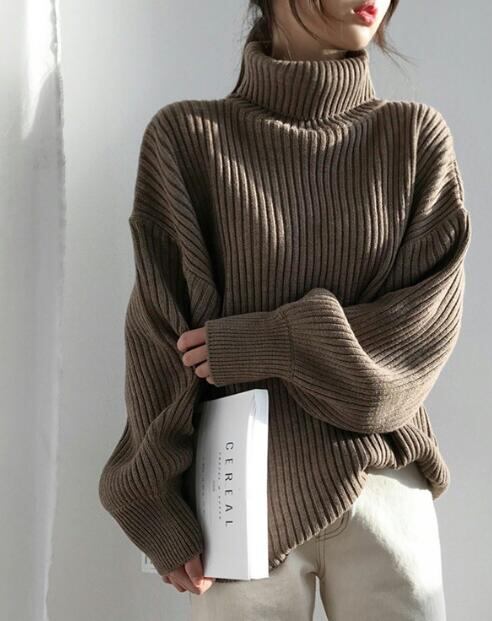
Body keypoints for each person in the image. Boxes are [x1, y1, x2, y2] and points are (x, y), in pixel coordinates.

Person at [98, 1, 472, 619]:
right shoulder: (188, 140)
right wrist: (152, 503)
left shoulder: (413, 138)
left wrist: (279, 340)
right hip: (236, 503)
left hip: (383, 485)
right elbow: (159, 338)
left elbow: (416, 339)